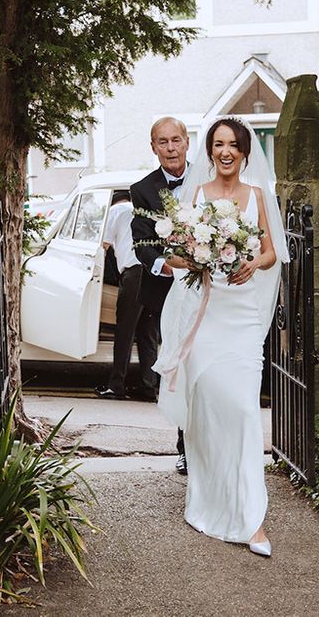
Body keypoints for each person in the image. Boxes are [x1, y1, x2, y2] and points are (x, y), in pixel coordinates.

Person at [154, 116, 288, 558]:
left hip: (244, 317)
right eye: (218, 144)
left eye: (232, 144)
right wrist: (193, 259)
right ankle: (209, 498)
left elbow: (272, 251)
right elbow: (174, 251)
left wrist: (256, 264)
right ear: (209, 151)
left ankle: (252, 519)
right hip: (208, 314)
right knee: (210, 408)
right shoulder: (195, 195)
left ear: (245, 151)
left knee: (244, 409)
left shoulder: (258, 196)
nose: (225, 151)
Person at [130, 117, 191, 474]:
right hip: (170, 294)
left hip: (209, 292)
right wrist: (167, 265)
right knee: (178, 370)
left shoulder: (208, 181)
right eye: (162, 142)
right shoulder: (142, 189)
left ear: (187, 142)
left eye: (176, 140)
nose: (170, 148)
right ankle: (184, 447)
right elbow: (142, 244)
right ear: (153, 148)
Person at [95, 191, 159, 401]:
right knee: (148, 332)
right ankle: (148, 386)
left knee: (125, 330)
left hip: (134, 274)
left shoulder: (115, 210)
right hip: (154, 272)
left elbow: (103, 246)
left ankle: (116, 384)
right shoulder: (145, 211)